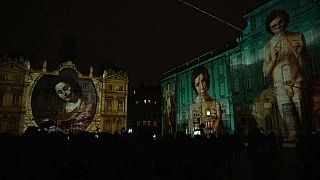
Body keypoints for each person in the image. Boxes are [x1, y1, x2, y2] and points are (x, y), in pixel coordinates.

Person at [263, 9, 308, 141]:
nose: (278, 27)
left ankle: (307, 140)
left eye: (280, 22)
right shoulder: (268, 46)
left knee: (303, 117)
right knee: (290, 124)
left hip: (296, 82)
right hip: (280, 86)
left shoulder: (298, 37)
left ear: (285, 21)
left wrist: (300, 52)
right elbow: (265, 72)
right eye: (274, 26)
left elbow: (305, 64)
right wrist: (274, 60)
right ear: (270, 29)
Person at [189, 66, 222, 135]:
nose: (202, 87)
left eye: (203, 81)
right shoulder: (192, 107)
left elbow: (217, 127)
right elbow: (191, 128)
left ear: (207, 81)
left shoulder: (216, 104)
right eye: (197, 85)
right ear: (195, 88)